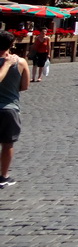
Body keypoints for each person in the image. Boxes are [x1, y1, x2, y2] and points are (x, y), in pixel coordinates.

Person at [0, 31, 30, 188]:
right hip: (10, 108)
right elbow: (24, 86)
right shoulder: (20, 62)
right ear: (12, 45)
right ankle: (4, 175)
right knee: (7, 143)